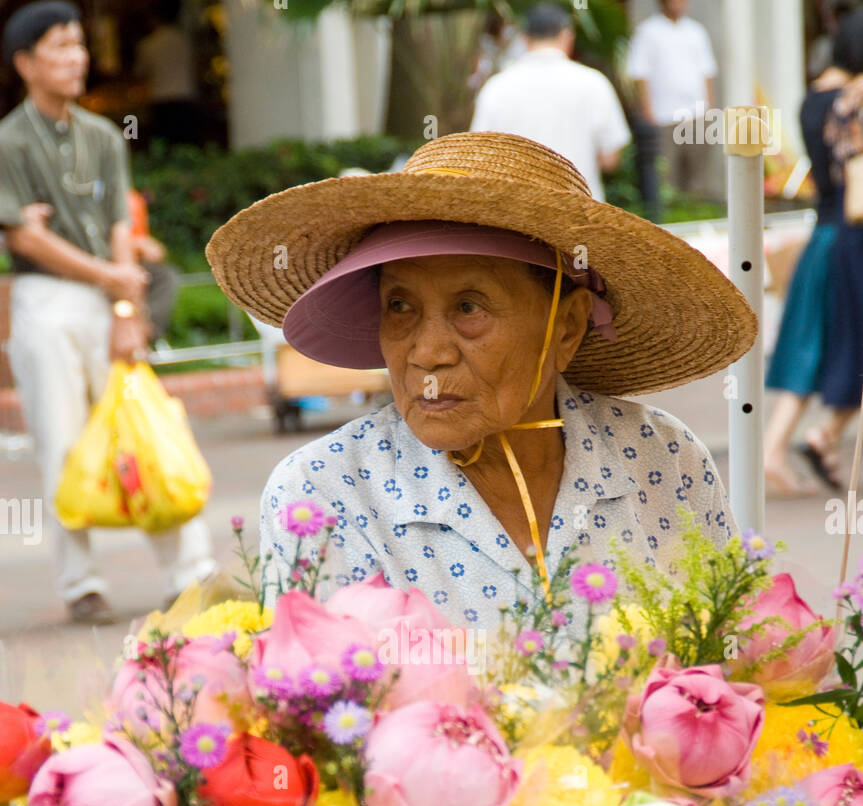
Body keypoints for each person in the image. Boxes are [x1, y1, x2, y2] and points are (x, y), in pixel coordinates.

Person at [207, 131, 756, 632]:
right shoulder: (324, 492)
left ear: (566, 326)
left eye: (469, 307)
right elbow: (321, 716)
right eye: (399, 306)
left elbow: (730, 668)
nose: (427, 353)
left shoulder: (661, 459)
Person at [0, 1, 214, 624]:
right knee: (61, 442)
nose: (75, 59)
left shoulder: (101, 135)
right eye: (59, 48)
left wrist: (125, 304)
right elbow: (24, 238)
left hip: (105, 300)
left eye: (78, 46)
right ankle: (81, 584)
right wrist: (111, 276)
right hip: (45, 302)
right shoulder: (9, 140)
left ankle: (191, 570)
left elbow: (120, 223)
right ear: (24, 63)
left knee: (142, 426)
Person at [763, 25, 858, 497]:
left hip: (821, 230)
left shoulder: (810, 98)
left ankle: (782, 447)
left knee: (808, 342)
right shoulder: (851, 102)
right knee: (823, 344)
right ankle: (787, 446)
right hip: (845, 232)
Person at [470, 4, 629, 202]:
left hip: (516, 216)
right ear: (567, 36)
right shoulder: (594, 83)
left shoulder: (496, 88)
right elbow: (610, 160)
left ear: (525, 39)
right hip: (582, 213)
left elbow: (480, 162)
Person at [626, 0, 718, 202]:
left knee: (697, 178)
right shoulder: (648, 32)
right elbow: (639, 74)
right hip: (663, 116)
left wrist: (708, 108)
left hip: (696, 115)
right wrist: (648, 113)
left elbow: (707, 71)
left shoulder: (696, 31)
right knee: (666, 179)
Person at [134, 0, 199, 147]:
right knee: (187, 148)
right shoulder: (186, 40)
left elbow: (141, 74)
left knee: (164, 150)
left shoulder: (148, 44)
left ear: (154, 17)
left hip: (161, 102)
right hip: (186, 99)